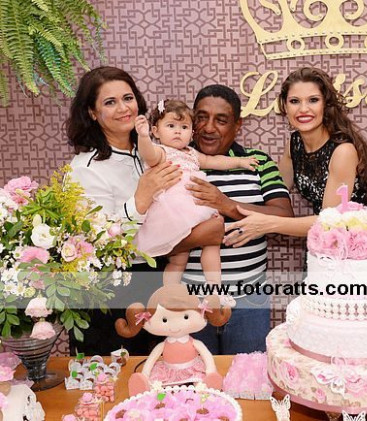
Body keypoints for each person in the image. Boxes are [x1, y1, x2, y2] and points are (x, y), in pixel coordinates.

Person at [65, 66, 220, 355]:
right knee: (117, 371)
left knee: (165, 364)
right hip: (111, 292)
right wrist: (140, 199)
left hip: (159, 281)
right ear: (92, 113)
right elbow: (93, 247)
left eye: (128, 98)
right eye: (110, 102)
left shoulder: (155, 150)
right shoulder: (85, 169)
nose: (123, 108)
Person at [184, 84, 294, 354]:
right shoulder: (176, 163)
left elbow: (284, 216)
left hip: (249, 302)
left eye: (221, 120)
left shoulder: (257, 162)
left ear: (237, 126)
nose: (209, 127)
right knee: (191, 375)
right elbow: (153, 235)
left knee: (248, 376)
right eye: (201, 117)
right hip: (189, 302)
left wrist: (225, 204)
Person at [223, 67, 367, 246]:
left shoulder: (343, 151)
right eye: (294, 101)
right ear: (284, 106)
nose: (303, 109)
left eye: (313, 100)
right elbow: (274, 193)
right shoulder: (295, 143)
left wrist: (268, 224)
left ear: (326, 104)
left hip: (355, 247)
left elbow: (330, 222)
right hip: (321, 245)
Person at [134, 99, 257, 287]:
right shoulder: (161, 152)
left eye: (184, 127)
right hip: (173, 211)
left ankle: (214, 287)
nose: (177, 131)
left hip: (197, 206)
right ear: (156, 131)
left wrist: (240, 161)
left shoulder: (192, 154)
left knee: (212, 243)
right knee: (178, 259)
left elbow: (215, 161)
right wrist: (143, 137)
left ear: (192, 133)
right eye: (171, 126)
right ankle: (169, 292)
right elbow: (148, 154)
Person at [115, 284, 231, 395]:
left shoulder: (195, 343)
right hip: (168, 370)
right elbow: (151, 359)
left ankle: (209, 384)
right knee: (156, 386)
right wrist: (145, 374)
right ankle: (143, 384)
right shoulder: (162, 345)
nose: (175, 326)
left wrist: (210, 371)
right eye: (164, 320)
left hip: (192, 369)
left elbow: (206, 355)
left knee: (201, 382)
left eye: (185, 317)